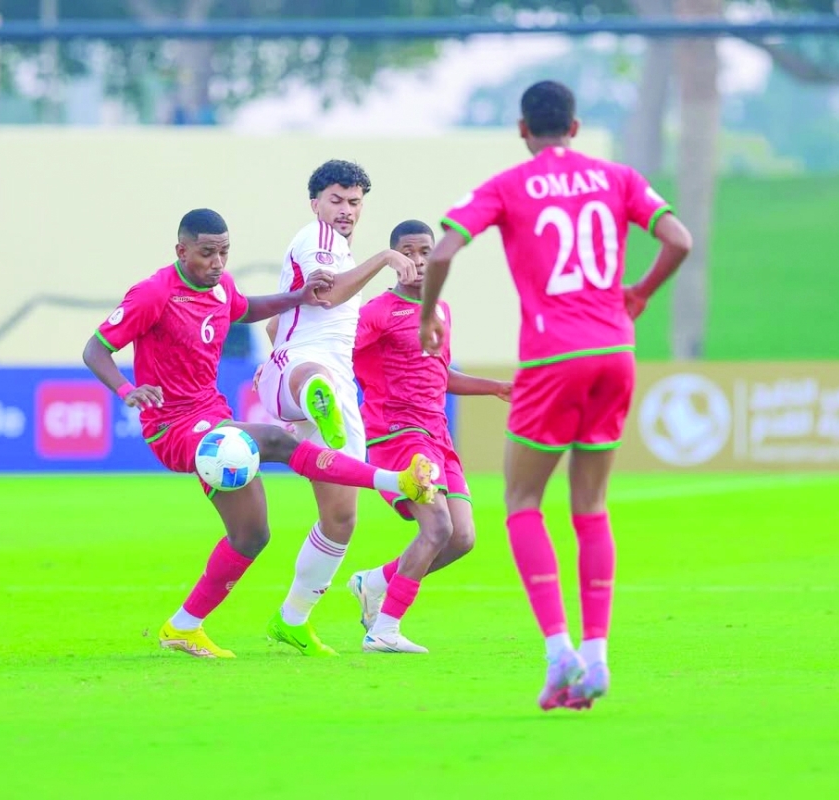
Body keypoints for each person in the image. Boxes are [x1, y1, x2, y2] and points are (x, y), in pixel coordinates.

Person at [418, 81, 693, 709]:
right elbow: (679, 240)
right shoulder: (617, 176)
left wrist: (428, 314)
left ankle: (558, 652)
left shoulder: (508, 185)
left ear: (523, 130)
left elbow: (442, 250)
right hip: (615, 352)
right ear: (574, 125)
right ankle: (597, 657)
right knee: (591, 508)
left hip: (553, 354)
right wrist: (642, 291)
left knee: (521, 503)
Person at [82, 208, 437, 660]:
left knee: (252, 534)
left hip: (211, 415)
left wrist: (298, 296)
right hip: (173, 427)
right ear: (181, 250)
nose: (217, 262)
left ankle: (183, 626)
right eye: (207, 253)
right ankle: (394, 480)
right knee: (277, 441)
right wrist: (127, 389)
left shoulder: (220, 287)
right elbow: (96, 348)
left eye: (224, 252)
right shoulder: (154, 293)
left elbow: (246, 309)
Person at [255, 160, 418, 656]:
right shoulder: (319, 239)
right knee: (316, 371)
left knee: (342, 517)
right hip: (303, 369)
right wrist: (387, 257)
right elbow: (327, 297)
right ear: (315, 203)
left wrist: (281, 342)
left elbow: (282, 321)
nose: (345, 211)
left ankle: (293, 619)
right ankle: (313, 393)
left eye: (354, 202)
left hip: (305, 376)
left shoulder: (333, 246)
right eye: (336, 200)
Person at [348, 220, 511, 654]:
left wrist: (494, 387)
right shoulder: (377, 313)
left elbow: (441, 375)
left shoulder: (441, 311)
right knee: (436, 527)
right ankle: (384, 629)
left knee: (462, 538)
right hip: (397, 434)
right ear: (394, 258)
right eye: (408, 252)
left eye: (425, 252)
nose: (418, 262)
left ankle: (376, 580)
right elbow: (335, 353)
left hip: (437, 437)